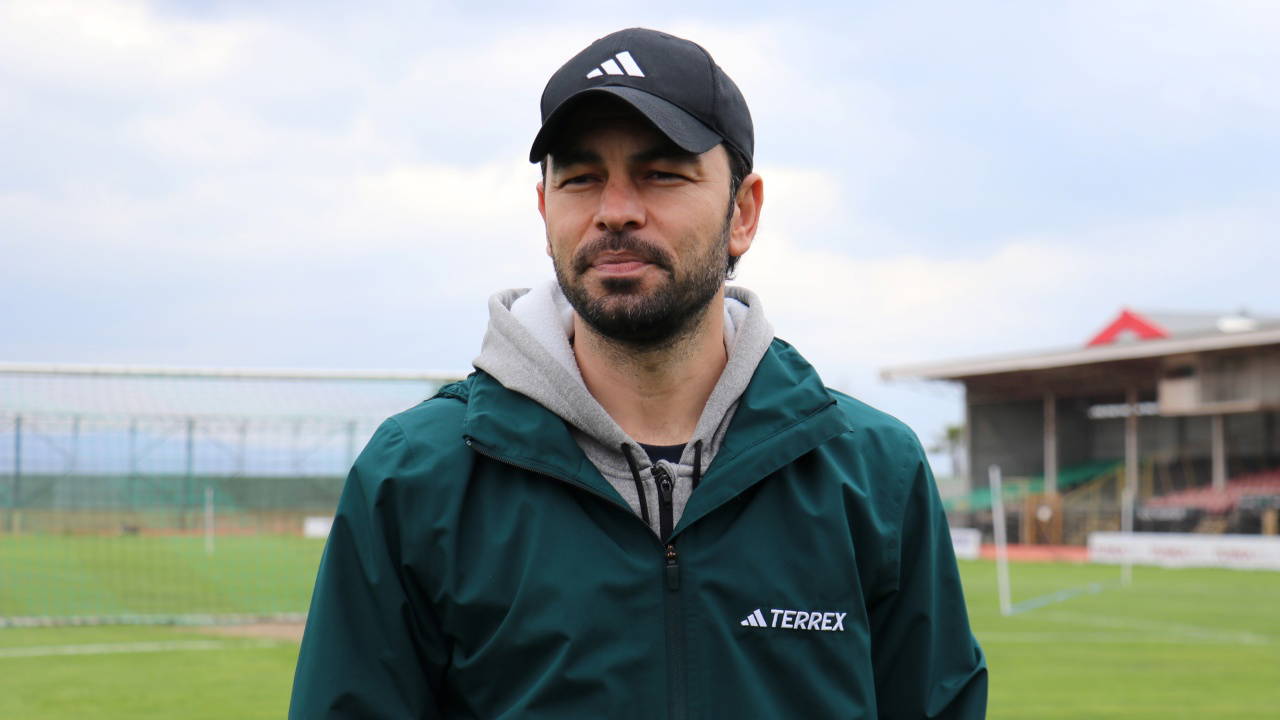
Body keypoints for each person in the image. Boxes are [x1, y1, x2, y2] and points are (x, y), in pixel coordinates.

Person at [290, 27, 987, 719]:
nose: (615, 211)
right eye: (581, 178)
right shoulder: (416, 477)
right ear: (545, 210)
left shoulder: (873, 475)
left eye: (661, 174)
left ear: (743, 212)